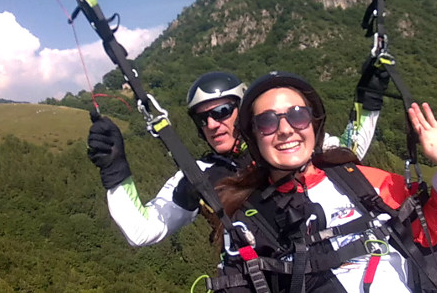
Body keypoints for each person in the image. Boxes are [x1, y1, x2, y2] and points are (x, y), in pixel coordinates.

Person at [207, 71, 437, 292]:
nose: (285, 129)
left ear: (313, 125)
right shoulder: (251, 218)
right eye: (268, 122)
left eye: (297, 115)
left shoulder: (357, 179)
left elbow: (425, 234)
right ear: (255, 136)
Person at [87, 70, 386, 247]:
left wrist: (369, 100)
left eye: (222, 113)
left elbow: (348, 151)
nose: (213, 124)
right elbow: (143, 230)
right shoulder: (200, 175)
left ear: (243, 112)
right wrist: (116, 172)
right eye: (203, 119)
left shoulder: (285, 142)